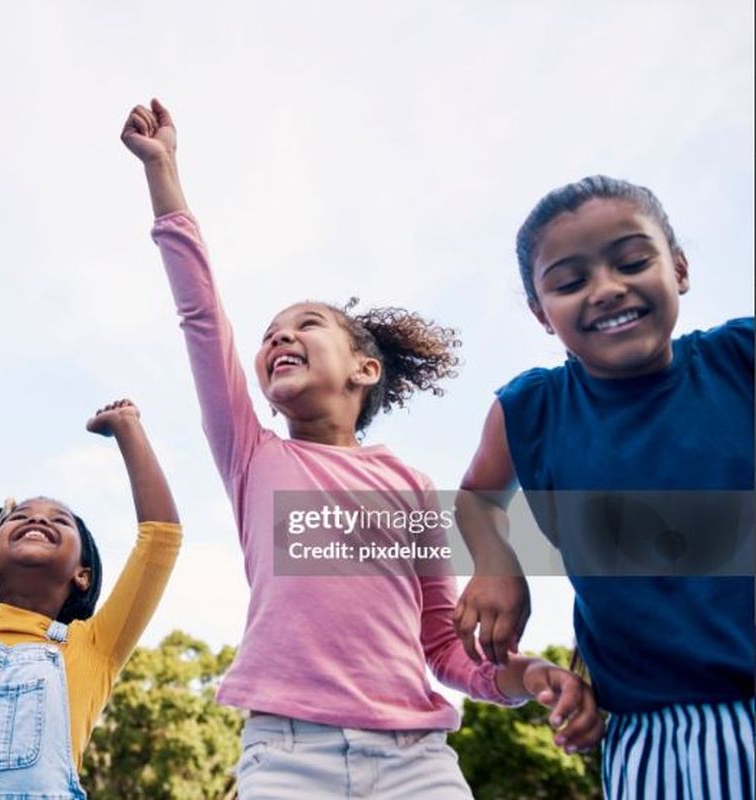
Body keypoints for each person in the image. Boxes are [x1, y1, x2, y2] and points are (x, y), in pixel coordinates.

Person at [121, 99, 600, 799]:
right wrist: (163, 172)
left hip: (417, 762)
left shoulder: (410, 485)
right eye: (268, 335)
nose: (278, 338)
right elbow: (201, 319)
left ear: (363, 369)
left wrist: (524, 675)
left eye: (305, 325)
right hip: (287, 756)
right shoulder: (251, 455)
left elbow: (444, 648)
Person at [452, 175, 755, 799]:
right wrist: (494, 559)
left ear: (679, 268)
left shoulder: (741, 358)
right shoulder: (531, 410)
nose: (607, 288)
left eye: (633, 261)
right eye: (570, 281)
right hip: (653, 733)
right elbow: (477, 496)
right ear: (542, 314)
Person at [0, 331, 181, 799]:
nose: (37, 519)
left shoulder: (96, 646)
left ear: (81, 573)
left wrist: (128, 427)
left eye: (58, 521)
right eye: (20, 517)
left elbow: (160, 539)